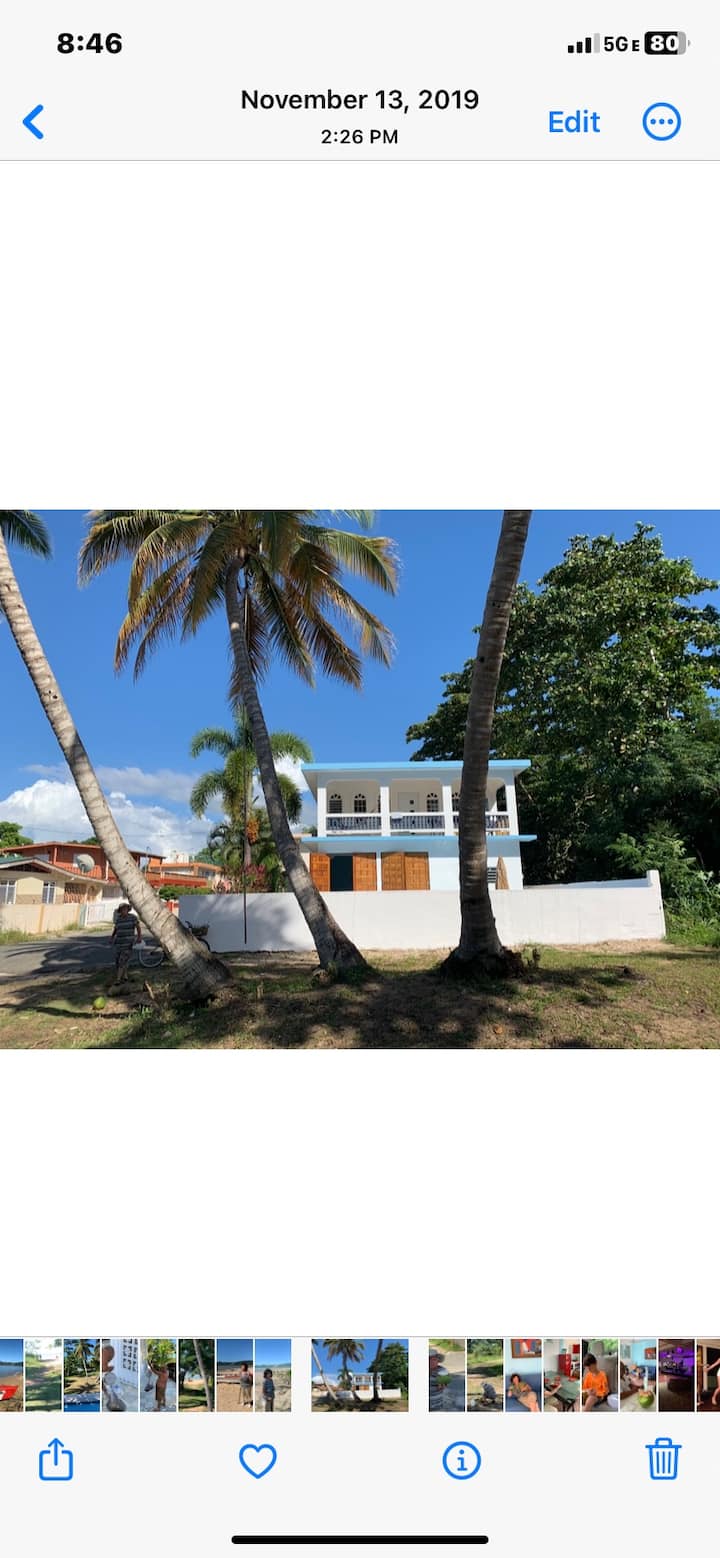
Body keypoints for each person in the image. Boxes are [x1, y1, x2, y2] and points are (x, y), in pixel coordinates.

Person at [110, 902, 141, 984]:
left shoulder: (133, 918)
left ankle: (118, 979)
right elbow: (116, 929)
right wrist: (112, 937)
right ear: (120, 911)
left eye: (125, 909)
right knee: (120, 961)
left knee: (122, 960)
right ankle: (125, 976)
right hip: (119, 943)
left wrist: (139, 937)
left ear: (128, 910)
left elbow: (138, 927)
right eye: (122, 909)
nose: (124, 910)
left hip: (128, 943)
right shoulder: (118, 919)